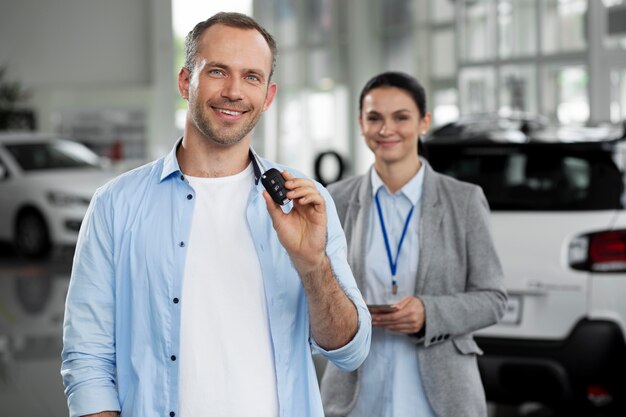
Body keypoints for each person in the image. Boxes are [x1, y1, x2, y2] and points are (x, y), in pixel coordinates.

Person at [61, 12, 371, 417]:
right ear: (185, 81)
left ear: (269, 95)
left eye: (251, 77)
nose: (234, 91)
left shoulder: (304, 202)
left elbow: (350, 350)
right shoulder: (116, 206)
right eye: (218, 72)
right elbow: (88, 360)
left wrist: (313, 265)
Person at [320, 71, 507, 417]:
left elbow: (494, 299)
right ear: (361, 123)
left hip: (441, 396)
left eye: (401, 117)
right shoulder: (335, 199)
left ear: (424, 122)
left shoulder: (463, 201)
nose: (386, 129)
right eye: (374, 118)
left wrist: (429, 313)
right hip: (355, 394)